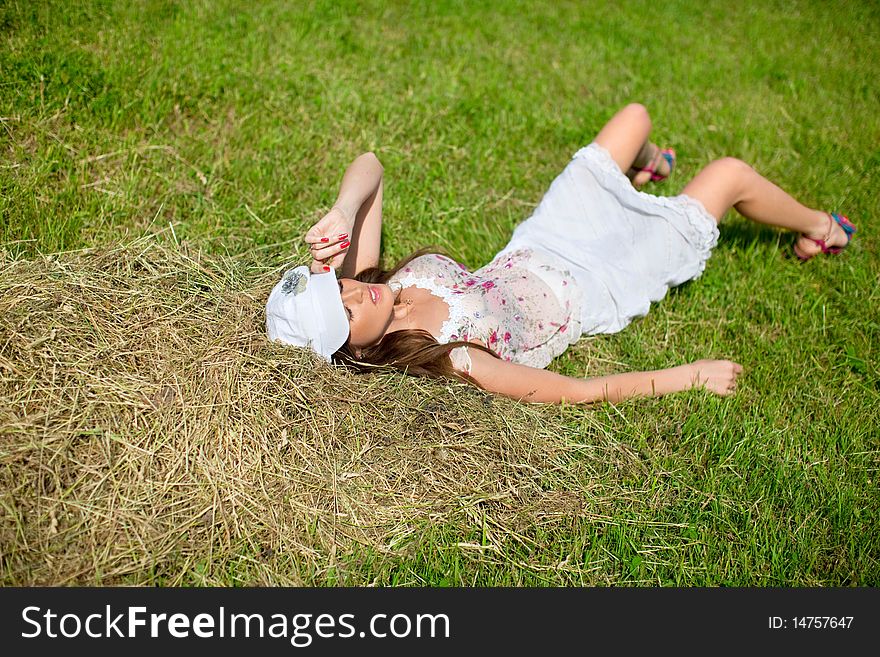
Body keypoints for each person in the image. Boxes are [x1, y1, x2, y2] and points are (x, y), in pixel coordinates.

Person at [266, 104, 856, 404]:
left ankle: (647, 167)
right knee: (728, 175)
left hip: (546, 239)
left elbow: (371, 165)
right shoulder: (450, 359)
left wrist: (344, 212)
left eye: (334, 288)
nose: (349, 292)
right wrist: (689, 376)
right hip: (602, 279)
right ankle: (822, 228)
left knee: (635, 117)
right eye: (342, 312)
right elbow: (578, 392)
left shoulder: (368, 281)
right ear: (357, 352)